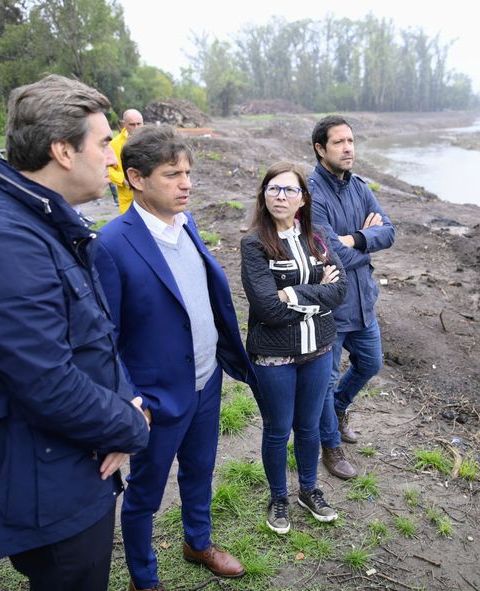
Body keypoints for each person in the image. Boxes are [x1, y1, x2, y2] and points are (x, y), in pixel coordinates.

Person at [0, 74, 150, 590]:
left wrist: (121, 410)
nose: (114, 157)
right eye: (103, 144)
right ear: (62, 152)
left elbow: (93, 334)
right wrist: (130, 427)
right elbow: (46, 382)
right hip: (44, 483)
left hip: (74, 458)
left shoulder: (43, 221)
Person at [94, 125, 255, 590]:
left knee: (200, 471)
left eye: (187, 172)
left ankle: (197, 542)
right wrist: (132, 400)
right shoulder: (112, 244)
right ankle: (144, 578)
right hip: (157, 398)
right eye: (172, 174)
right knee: (144, 494)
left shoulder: (187, 223)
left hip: (206, 384)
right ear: (136, 179)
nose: (186, 183)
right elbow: (105, 337)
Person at [240, 161, 348, 535]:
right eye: (274, 189)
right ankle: (279, 497)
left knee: (308, 427)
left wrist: (293, 292)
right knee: (277, 429)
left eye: (289, 190)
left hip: (318, 349)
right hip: (273, 355)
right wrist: (318, 287)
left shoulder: (317, 237)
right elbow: (267, 308)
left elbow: (340, 291)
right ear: (264, 195)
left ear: (303, 198)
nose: (280, 196)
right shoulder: (253, 244)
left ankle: (309, 489)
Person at [309, 115, 396, 480]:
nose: (348, 148)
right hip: (331, 306)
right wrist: (363, 241)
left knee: (370, 364)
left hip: (363, 303)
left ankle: (340, 410)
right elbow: (331, 254)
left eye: (351, 141)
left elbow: (389, 232)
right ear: (320, 149)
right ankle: (330, 446)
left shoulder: (360, 187)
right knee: (324, 382)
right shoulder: (311, 192)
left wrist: (354, 239)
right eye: (339, 142)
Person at [108, 108, 144, 213]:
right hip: (128, 197)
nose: (136, 128)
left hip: (150, 194)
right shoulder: (114, 144)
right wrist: (122, 180)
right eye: (132, 124)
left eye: (139, 124)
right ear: (124, 124)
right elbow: (107, 167)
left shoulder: (152, 141)